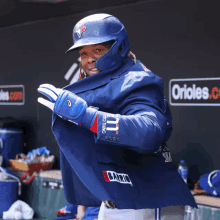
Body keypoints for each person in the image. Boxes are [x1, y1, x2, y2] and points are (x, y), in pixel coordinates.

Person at [37, 13, 197, 220]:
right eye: (84, 53)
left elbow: (149, 132)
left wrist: (87, 117)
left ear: (119, 48)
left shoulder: (137, 80)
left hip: (149, 199)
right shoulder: (94, 85)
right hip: (115, 199)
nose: (89, 59)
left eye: (98, 50)